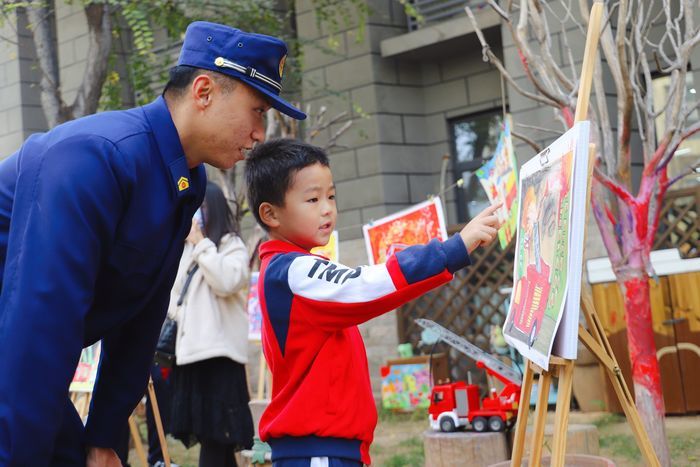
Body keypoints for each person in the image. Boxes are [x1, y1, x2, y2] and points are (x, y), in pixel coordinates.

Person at [0, 21, 305, 466]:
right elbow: (40, 320)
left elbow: (143, 311)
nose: (261, 132)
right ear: (203, 92)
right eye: (257, 110)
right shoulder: (94, 157)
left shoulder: (185, 177)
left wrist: (104, 434)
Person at [244, 139, 502, 466]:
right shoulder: (292, 270)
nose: (327, 208)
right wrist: (453, 250)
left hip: (326, 448)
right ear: (271, 213)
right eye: (312, 199)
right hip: (316, 451)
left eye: (331, 196)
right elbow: (365, 285)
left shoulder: (291, 268)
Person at [168, 181, 254, 467]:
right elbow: (173, 296)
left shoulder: (232, 246)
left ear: (212, 208)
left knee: (219, 436)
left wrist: (202, 244)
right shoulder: (186, 251)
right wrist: (186, 318)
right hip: (192, 356)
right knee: (212, 439)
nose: (194, 215)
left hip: (221, 357)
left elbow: (226, 281)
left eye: (200, 207)